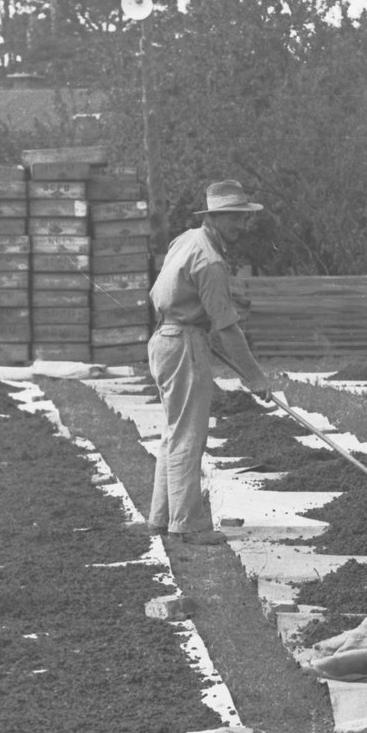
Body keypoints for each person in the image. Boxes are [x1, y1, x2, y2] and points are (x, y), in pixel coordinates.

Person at [146, 179, 282, 545]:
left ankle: (161, 518)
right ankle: (187, 524)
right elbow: (228, 329)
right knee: (189, 435)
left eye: (242, 217)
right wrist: (255, 377)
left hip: (166, 337)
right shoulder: (211, 262)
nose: (241, 225)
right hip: (182, 342)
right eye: (234, 218)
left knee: (174, 432)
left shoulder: (187, 240)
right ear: (215, 217)